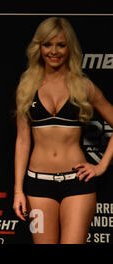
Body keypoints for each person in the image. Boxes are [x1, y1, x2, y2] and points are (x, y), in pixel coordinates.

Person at [13, 17, 113, 244]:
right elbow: (22, 141)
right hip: (37, 185)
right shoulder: (27, 86)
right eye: (48, 44)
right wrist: (18, 190)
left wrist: (101, 166)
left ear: (70, 48)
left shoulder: (83, 85)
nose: (54, 51)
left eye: (61, 45)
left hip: (77, 184)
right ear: (38, 47)